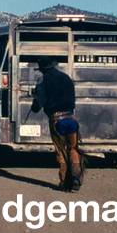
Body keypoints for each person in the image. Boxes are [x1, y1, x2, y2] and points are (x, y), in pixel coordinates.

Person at [30, 56, 82, 191]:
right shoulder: (66, 78)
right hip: (71, 119)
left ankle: (64, 181)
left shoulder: (43, 81)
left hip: (57, 120)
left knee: (60, 151)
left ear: (42, 69)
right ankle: (76, 177)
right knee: (73, 148)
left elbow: (37, 106)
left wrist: (35, 101)